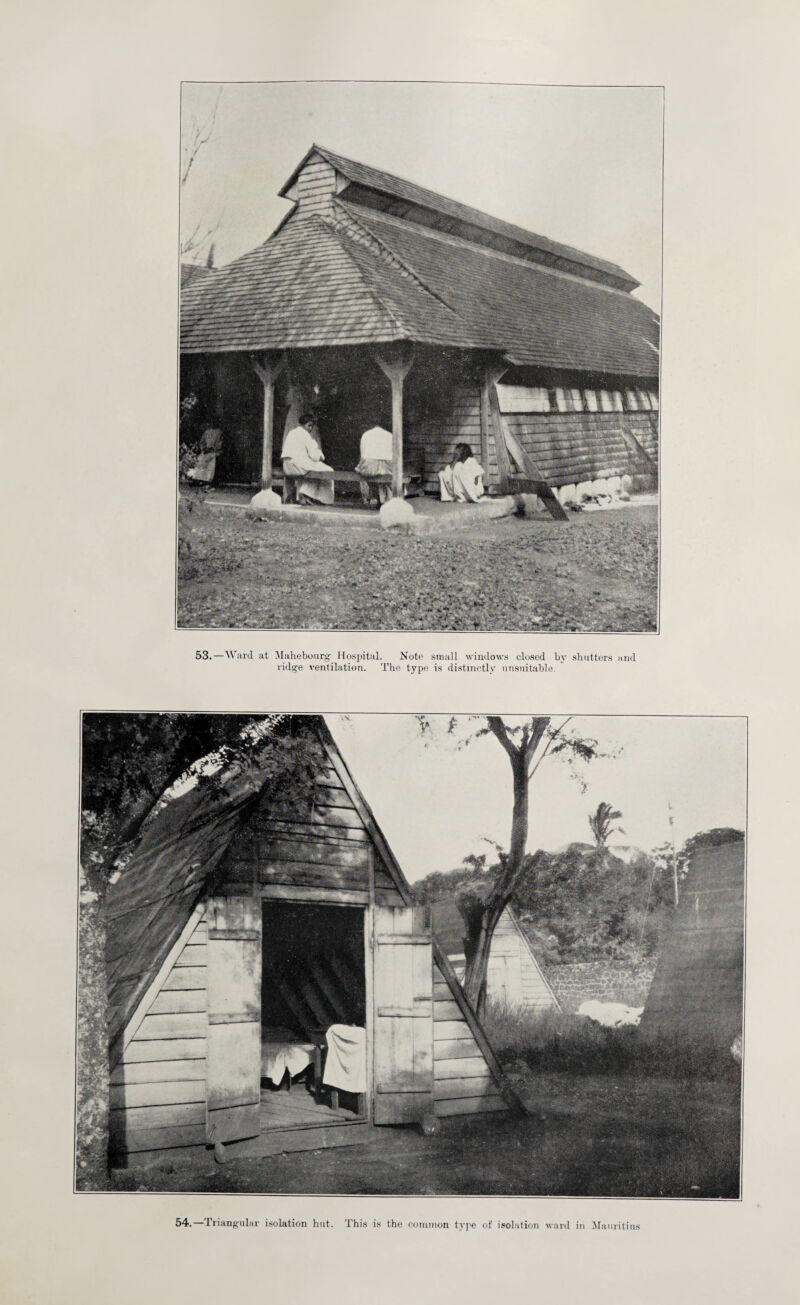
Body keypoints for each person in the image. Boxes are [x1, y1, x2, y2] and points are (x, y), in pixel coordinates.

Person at [281, 413, 335, 505]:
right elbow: (314, 456)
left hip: (287, 465)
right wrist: (319, 453)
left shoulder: (291, 432)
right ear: (302, 424)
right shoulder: (305, 434)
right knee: (328, 470)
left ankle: (304, 494)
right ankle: (319, 498)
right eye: (309, 425)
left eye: (311, 426)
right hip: (298, 465)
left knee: (314, 470)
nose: (310, 429)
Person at [355, 425, 393, 506]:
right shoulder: (389, 435)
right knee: (387, 478)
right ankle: (386, 498)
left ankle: (368, 498)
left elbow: (362, 454)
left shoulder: (366, 435)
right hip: (387, 468)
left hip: (369, 468)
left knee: (361, 474)